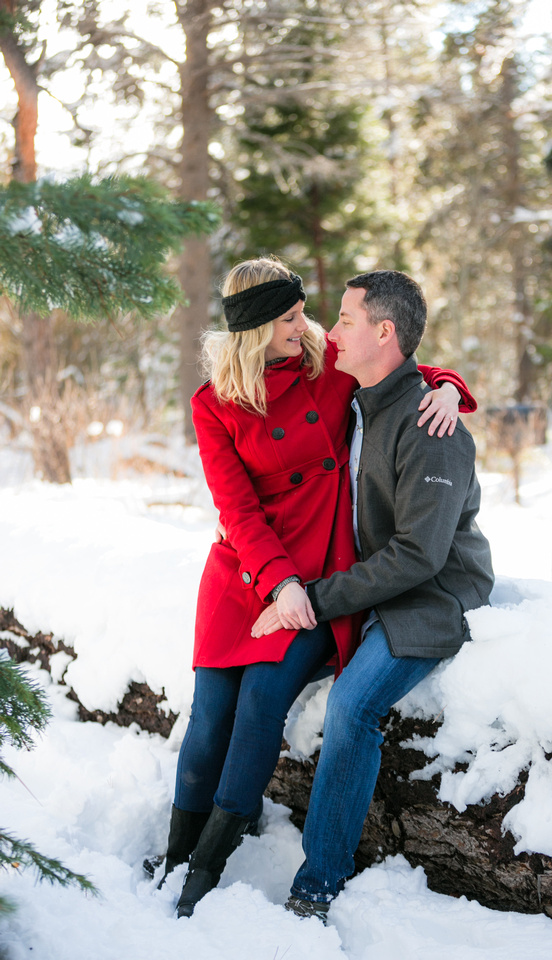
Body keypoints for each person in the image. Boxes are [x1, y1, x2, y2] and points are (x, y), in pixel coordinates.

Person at [155, 258, 476, 918]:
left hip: (320, 568)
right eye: (292, 318)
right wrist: (275, 582)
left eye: (310, 313)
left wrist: (449, 388)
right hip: (249, 568)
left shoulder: (322, 364)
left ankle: (209, 866)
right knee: (210, 712)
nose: (312, 327)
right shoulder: (214, 402)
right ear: (255, 330)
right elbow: (237, 510)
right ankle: (178, 854)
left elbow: (397, 355)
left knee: (260, 704)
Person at [251, 269, 494, 921]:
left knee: (350, 705)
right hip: (369, 583)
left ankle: (318, 884)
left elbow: (419, 556)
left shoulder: (428, 428)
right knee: (262, 672)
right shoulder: (361, 398)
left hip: (429, 597)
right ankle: (222, 825)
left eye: (347, 321)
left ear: (383, 333)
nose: (332, 332)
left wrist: (317, 598)